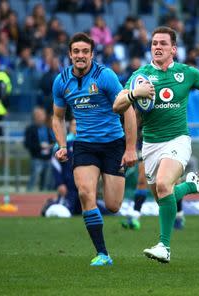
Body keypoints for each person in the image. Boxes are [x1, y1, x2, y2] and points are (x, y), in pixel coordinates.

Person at [113, 26, 199, 263]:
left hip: (178, 140)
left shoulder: (187, 73)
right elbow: (117, 105)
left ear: (173, 49)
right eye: (154, 43)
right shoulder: (141, 76)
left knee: (164, 185)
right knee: (164, 195)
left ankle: (164, 246)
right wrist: (134, 93)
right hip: (151, 144)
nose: (157, 47)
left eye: (163, 43)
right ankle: (192, 185)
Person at [52, 32, 137, 266]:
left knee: (113, 205)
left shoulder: (106, 76)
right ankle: (102, 254)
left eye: (85, 51)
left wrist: (130, 148)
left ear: (91, 54)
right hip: (84, 145)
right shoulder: (61, 81)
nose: (80, 55)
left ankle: (109, 237)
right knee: (85, 193)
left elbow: (127, 109)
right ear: (70, 54)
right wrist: (61, 144)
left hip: (113, 145)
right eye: (76, 51)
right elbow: (57, 117)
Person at [24, 106, 54, 191]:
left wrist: (51, 145)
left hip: (48, 158)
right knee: (34, 178)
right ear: (34, 116)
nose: (41, 117)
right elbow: (27, 144)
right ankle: (29, 194)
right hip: (37, 158)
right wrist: (39, 146)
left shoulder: (48, 128)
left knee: (46, 181)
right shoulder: (30, 129)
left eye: (42, 115)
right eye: (38, 115)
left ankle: (44, 196)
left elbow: (52, 140)